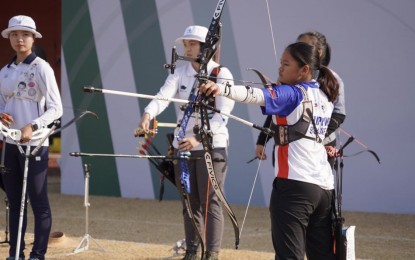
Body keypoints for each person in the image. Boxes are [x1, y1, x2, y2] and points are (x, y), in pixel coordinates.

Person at [201, 41, 339, 259]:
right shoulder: (325, 97)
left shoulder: (294, 94)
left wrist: (220, 88)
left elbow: (256, 95)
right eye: (280, 63)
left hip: (295, 187)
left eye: (286, 64)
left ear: (304, 70)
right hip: (323, 190)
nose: (280, 68)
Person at [137, 25, 235, 260]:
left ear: (206, 48)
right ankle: (192, 251)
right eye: (186, 44)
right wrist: (148, 115)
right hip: (183, 147)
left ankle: (211, 254)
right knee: (190, 202)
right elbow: (163, 96)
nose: (187, 48)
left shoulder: (221, 74)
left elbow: (223, 116)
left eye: (192, 44)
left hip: (212, 147)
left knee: (210, 202)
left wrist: (198, 138)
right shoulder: (179, 72)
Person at [0, 15, 63, 260]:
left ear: (33, 38)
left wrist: (32, 127)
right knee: (15, 202)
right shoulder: (4, 72)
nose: (19, 39)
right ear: (10, 38)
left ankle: (38, 254)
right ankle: (16, 254)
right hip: (10, 144)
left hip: (35, 145)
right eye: (14, 34)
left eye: (25, 34)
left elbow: (56, 108)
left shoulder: (42, 68)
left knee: (38, 201)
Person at [255, 31, 346, 168]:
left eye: (304, 46)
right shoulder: (292, 76)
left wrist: (317, 136)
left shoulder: (332, 79)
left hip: (321, 147)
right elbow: (277, 107)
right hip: (289, 146)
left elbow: (339, 114)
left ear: (319, 52)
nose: (299, 49)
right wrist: (262, 140)